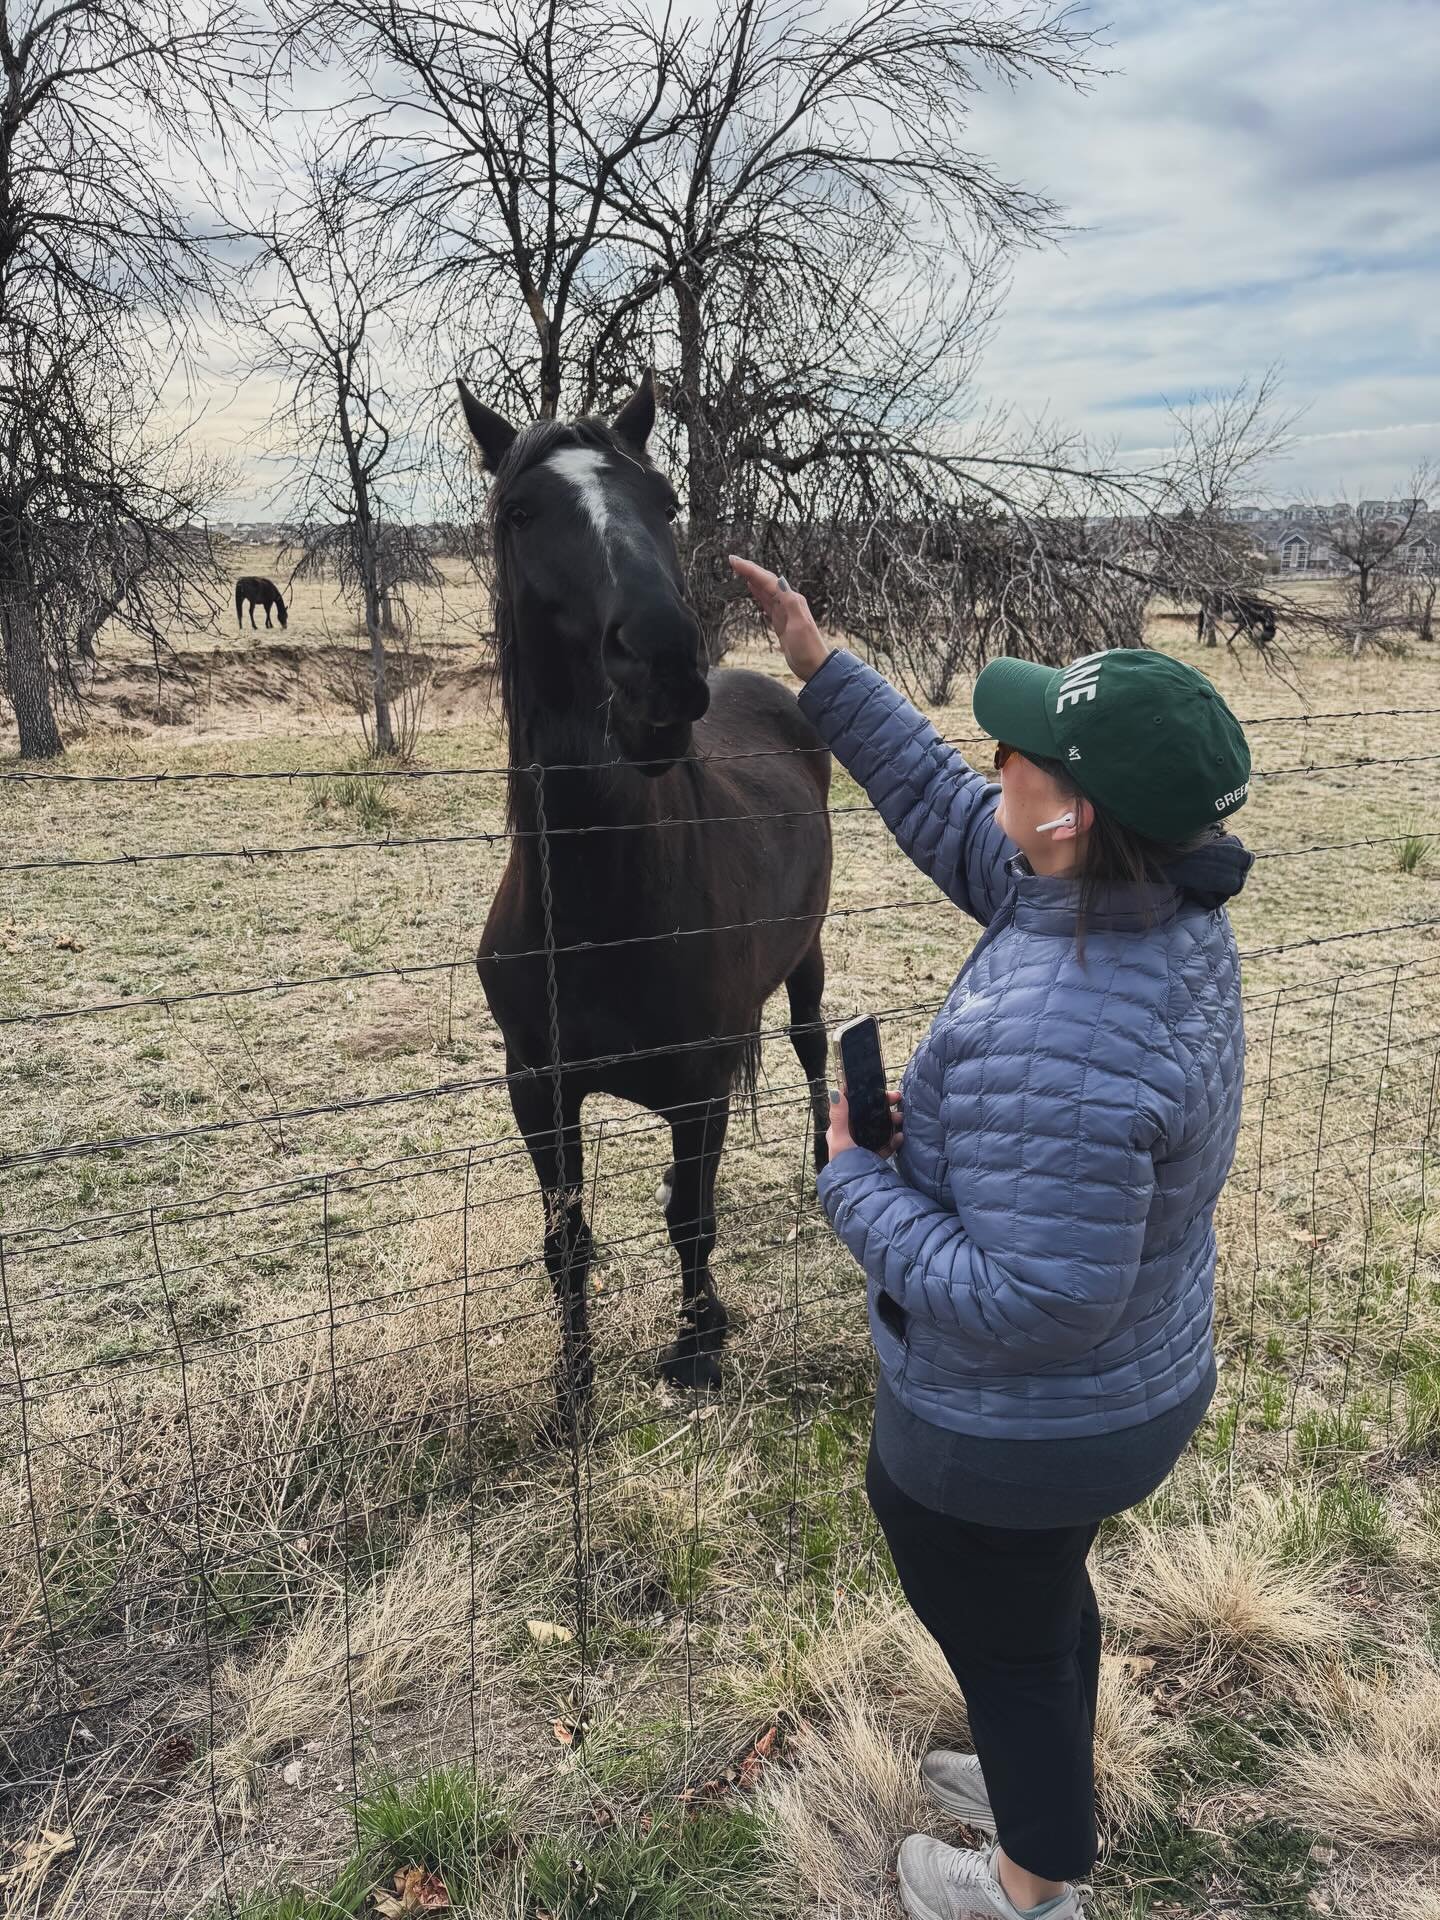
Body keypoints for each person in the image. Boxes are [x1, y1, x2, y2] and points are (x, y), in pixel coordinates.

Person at [729, 555, 1253, 1920]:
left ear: (1073, 811)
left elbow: (1033, 1298)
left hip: (1037, 1412)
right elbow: (953, 813)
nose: (994, 757)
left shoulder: (1068, 1022)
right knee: (1031, 1596)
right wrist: (819, 665)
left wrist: (857, 1178)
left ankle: (1031, 1884)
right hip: (1126, 1382)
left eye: (1019, 750)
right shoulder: (1140, 902)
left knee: (983, 1593)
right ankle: (1046, 1778)